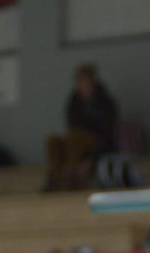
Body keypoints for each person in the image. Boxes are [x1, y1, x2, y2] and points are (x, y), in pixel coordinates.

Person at [44, 63, 119, 191]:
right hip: (75, 142)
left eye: (85, 81)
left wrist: (92, 159)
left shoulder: (105, 103)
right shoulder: (74, 101)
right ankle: (55, 178)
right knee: (53, 141)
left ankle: (73, 177)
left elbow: (108, 135)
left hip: (95, 143)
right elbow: (71, 126)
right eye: (79, 81)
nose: (82, 85)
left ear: (92, 82)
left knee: (76, 138)